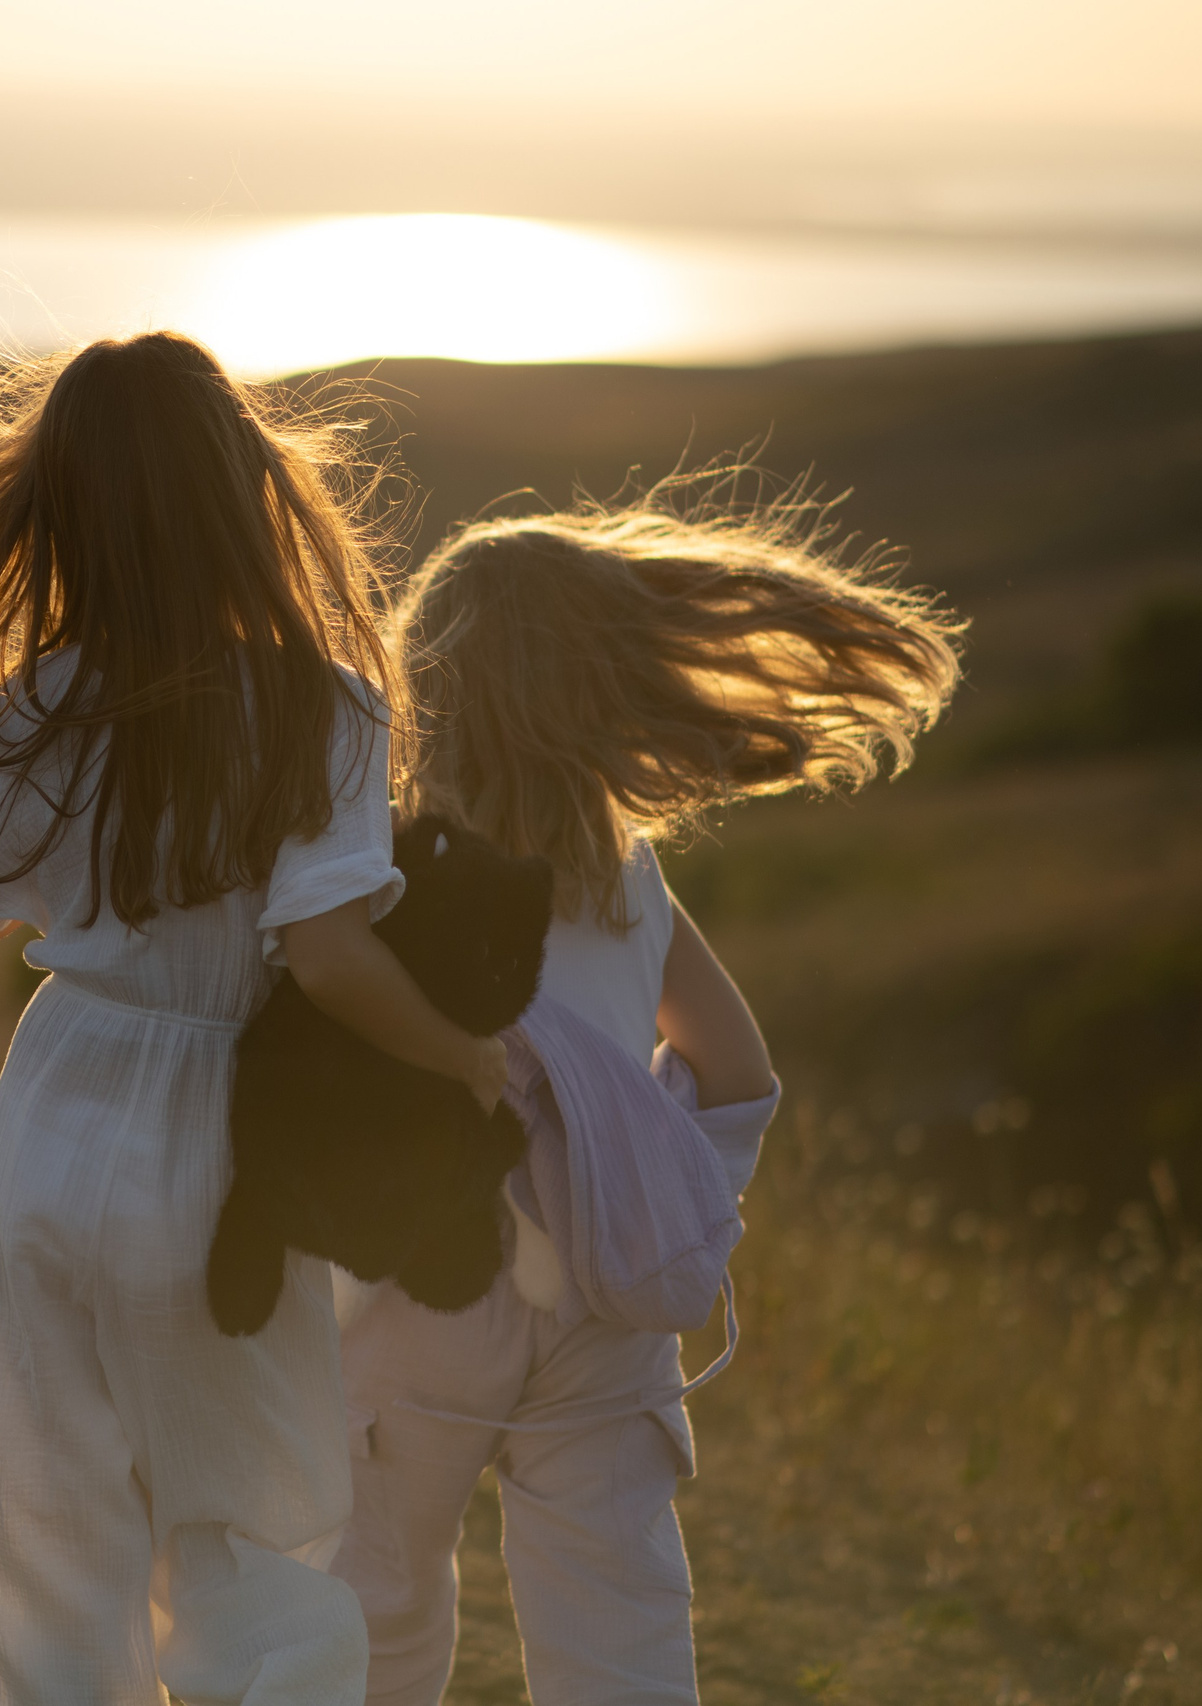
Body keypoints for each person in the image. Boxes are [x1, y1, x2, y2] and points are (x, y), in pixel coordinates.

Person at [0, 332, 509, 1706]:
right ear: (251, 490)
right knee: (249, 1519)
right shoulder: (326, 705)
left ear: (62, 515)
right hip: (223, 1138)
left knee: (50, 1515)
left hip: (57, 1105)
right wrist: (467, 1055)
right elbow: (327, 957)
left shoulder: (47, 697)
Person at [333, 489, 965, 1705]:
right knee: (616, 1631)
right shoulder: (624, 872)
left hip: (425, 1287)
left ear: (433, 676)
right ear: (601, 682)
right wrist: (644, 1189)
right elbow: (737, 1072)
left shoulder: (381, 852)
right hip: (605, 1301)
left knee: (372, 1614)